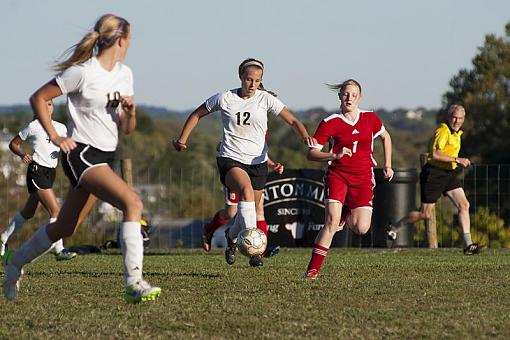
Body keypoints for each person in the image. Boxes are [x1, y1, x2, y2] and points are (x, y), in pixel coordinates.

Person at [2, 14, 161, 303]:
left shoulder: (125, 75)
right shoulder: (82, 72)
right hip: (82, 155)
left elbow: (128, 129)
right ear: (122, 40)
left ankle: (14, 264)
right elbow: (38, 98)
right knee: (133, 203)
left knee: (65, 227)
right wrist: (54, 135)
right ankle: (134, 282)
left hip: (105, 156)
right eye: (130, 40)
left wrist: (131, 111)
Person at [173, 58, 316, 266]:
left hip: (257, 163)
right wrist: (182, 140)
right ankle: (255, 252)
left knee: (246, 209)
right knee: (246, 192)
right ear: (241, 77)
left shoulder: (265, 99)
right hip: (230, 158)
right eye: (249, 79)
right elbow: (197, 114)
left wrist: (305, 137)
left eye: (257, 80)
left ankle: (231, 238)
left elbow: (293, 120)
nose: (253, 84)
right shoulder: (224, 98)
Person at [304, 79, 394, 280]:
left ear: (360, 97)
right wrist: (333, 156)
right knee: (330, 222)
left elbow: (385, 137)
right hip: (338, 175)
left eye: (354, 95)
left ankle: (345, 212)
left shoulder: (370, 118)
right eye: (345, 94)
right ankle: (312, 270)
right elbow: (312, 154)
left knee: (361, 228)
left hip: (363, 177)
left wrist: (387, 164)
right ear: (339, 96)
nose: (349, 98)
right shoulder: (330, 122)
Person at [386, 104, 484, 255]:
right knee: (425, 213)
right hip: (434, 174)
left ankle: (468, 245)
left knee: (464, 205)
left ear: (464, 119)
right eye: (454, 117)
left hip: (448, 174)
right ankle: (395, 227)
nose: (457, 121)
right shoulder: (443, 131)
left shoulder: (457, 133)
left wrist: (455, 163)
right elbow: (435, 154)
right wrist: (458, 160)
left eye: (460, 118)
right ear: (449, 117)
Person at [0, 100, 77, 261]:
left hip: (50, 172)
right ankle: (59, 249)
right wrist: (22, 154)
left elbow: (66, 146)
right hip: (37, 171)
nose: (48, 107)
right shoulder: (33, 126)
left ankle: (3, 238)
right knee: (56, 210)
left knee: (28, 212)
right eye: (45, 104)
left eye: (50, 104)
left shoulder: (61, 127)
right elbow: (14, 144)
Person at [202, 157, 284, 267]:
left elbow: (260, 149)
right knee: (231, 212)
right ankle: (210, 229)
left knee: (257, 210)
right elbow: (223, 145)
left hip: (255, 170)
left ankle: (258, 252)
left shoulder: (262, 139)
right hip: (236, 167)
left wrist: (272, 164)